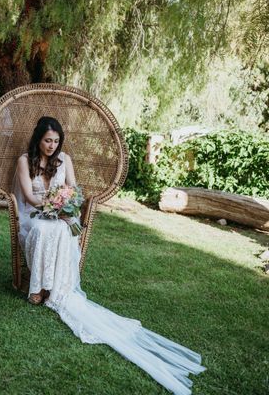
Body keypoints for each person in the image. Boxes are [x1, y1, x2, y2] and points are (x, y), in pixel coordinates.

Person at [13, 116, 205, 395]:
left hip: (59, 215)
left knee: (60, 231)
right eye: (47, 141)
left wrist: (65, 205)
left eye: (56, 141)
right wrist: (50, 205)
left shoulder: (64, 159)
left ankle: (50, 287)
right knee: (43, 231)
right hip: (33, 215)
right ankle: (39, 287)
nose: (52, 146)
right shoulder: (24, 161)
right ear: (38, 139)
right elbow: (29, 197)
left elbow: (74, 190)